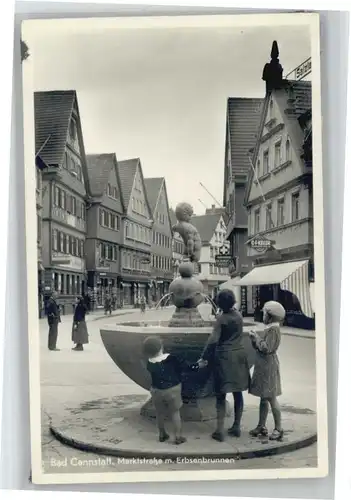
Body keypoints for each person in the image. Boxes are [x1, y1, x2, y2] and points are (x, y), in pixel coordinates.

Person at [197, 289, 251, 442]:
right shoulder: (239, 316)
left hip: (224, 357)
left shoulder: (221, 319)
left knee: (220, 394)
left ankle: (219, 430)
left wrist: (203, 357)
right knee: (238, 392)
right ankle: (236, 426)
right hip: (239, 355)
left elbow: (213, 340)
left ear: (220, 303)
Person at [143, 335, 198, 445]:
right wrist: (196, 366)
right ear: (161, 348)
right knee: (175, 412)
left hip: (156, 391)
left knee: (159, 413)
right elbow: (184, 366)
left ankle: (162, 434)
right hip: (172, 390)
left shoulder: (149, 363)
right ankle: (178, 436)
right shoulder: (171, 358)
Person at [248, 300, 285, 441]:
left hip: (268, 365)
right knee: (264, 397)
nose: (262, 315)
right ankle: (261, 426)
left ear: (270, 316)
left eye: (264, 313)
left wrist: (256, 338)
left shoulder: (273, 330)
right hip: (263, 364)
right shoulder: (269, 328)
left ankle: (278, 428)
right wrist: (254, 340)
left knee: (271, 397)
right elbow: (260, 347)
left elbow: (266, 348)